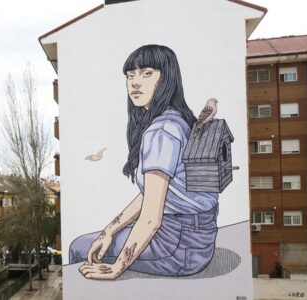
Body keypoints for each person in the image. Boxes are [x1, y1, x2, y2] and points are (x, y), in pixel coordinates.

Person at [69, 44, 219, 279]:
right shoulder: (178, 120)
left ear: (167, 78)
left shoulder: (161, 131)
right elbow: (153, 194)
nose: (135, 82)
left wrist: (117, 268)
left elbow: (151, 217)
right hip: (196, 241)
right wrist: (110, 230)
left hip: (177, 248)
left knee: (80, 247)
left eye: (147, 73)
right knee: (101, 239)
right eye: (130, 75)